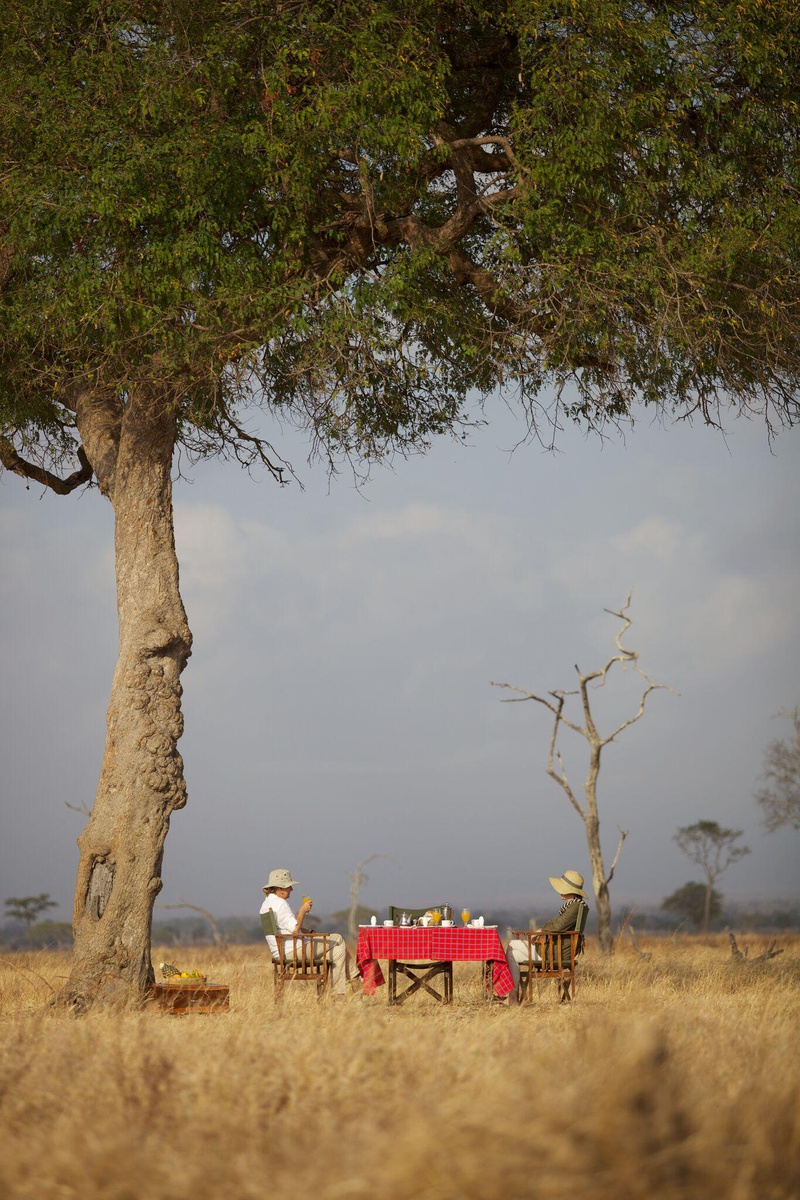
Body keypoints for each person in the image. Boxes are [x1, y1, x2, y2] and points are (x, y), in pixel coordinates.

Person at [260, 868, 354, 996]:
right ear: (281, 888)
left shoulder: (266, 904)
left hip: (281, 953)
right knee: (338, 938)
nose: (291, 889)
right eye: (289, 887)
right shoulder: (281, 904)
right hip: (294, 951)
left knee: (338, 951)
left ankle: (340, 995)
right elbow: (295, 929)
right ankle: (355, 980)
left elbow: (285, 928)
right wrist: (302, 910)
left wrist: (309, 932)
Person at [503, 869, 589, 1004]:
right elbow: (555, 924)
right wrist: (540, 931)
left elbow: (558, 925)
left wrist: (540, 931)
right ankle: (511, 996)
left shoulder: (575, 907)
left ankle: (511, 998)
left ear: (570, 890)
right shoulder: (574, 906)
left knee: (512, 946)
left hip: (554, 953)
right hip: (555, 950)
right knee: (512, 950)